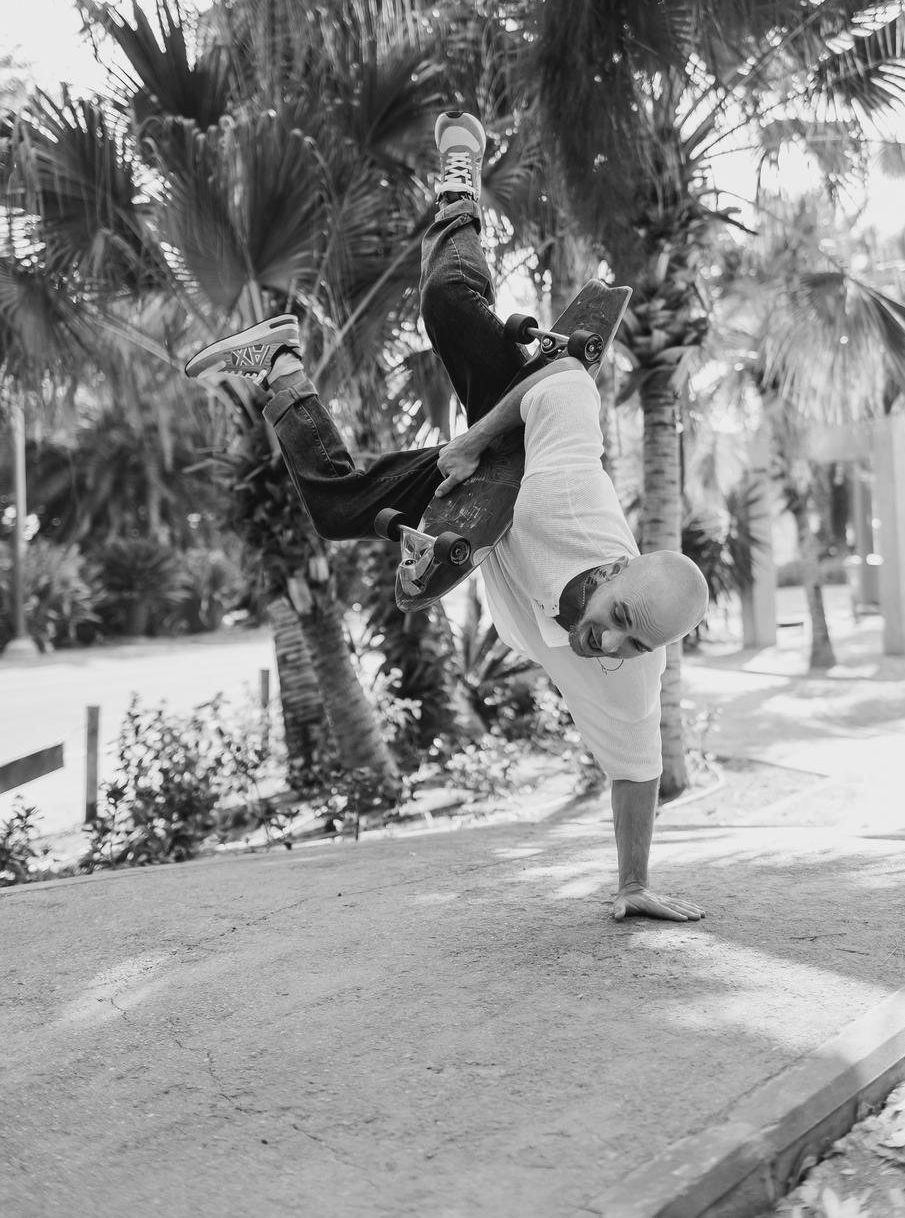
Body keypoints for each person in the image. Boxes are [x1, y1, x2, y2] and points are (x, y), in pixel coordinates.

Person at [186, 111, 709, 922]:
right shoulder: (574, 498)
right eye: (618, 621)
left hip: (481, 520)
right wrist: (474, 437)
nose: (609, 643)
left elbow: (636, 771)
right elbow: (566, 381)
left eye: (632, 643)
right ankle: (461, 172)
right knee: (445, 301)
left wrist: (634, 884)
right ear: (611, 573)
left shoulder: (631, 669)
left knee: (337, 507)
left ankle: (280, 360)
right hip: (519, 429)